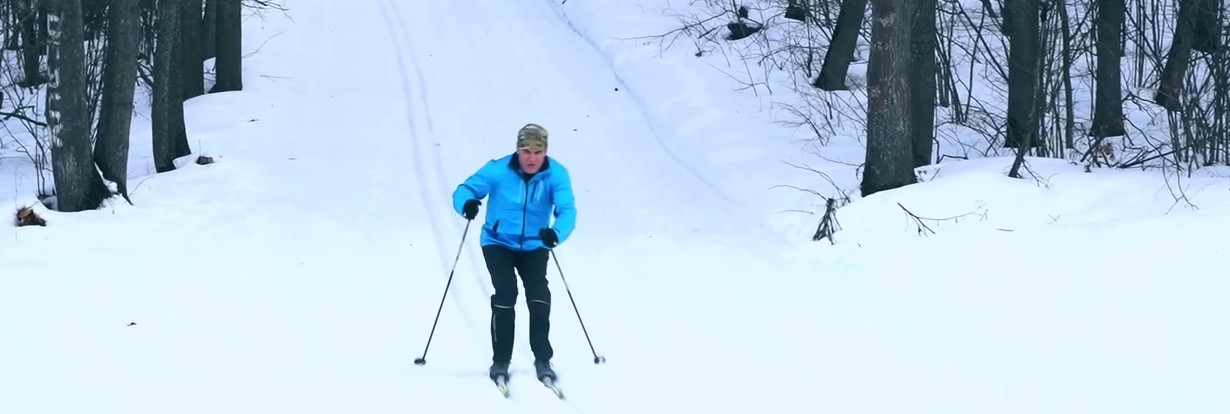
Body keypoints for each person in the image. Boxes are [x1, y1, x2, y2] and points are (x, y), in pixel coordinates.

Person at [451, 123, 577, 383]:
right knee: (506, 292)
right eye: (526, 151)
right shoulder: (499, 170)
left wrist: (556, 233)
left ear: (545, 152)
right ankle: (501, 361)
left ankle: (543, 359)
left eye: (537, 151)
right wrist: (467, 203)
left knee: (539, 294)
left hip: (535, 244)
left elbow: (567, 210)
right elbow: (465, 189)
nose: (532, 157)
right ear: (517, 150)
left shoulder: (557, 175)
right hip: (498, 242)